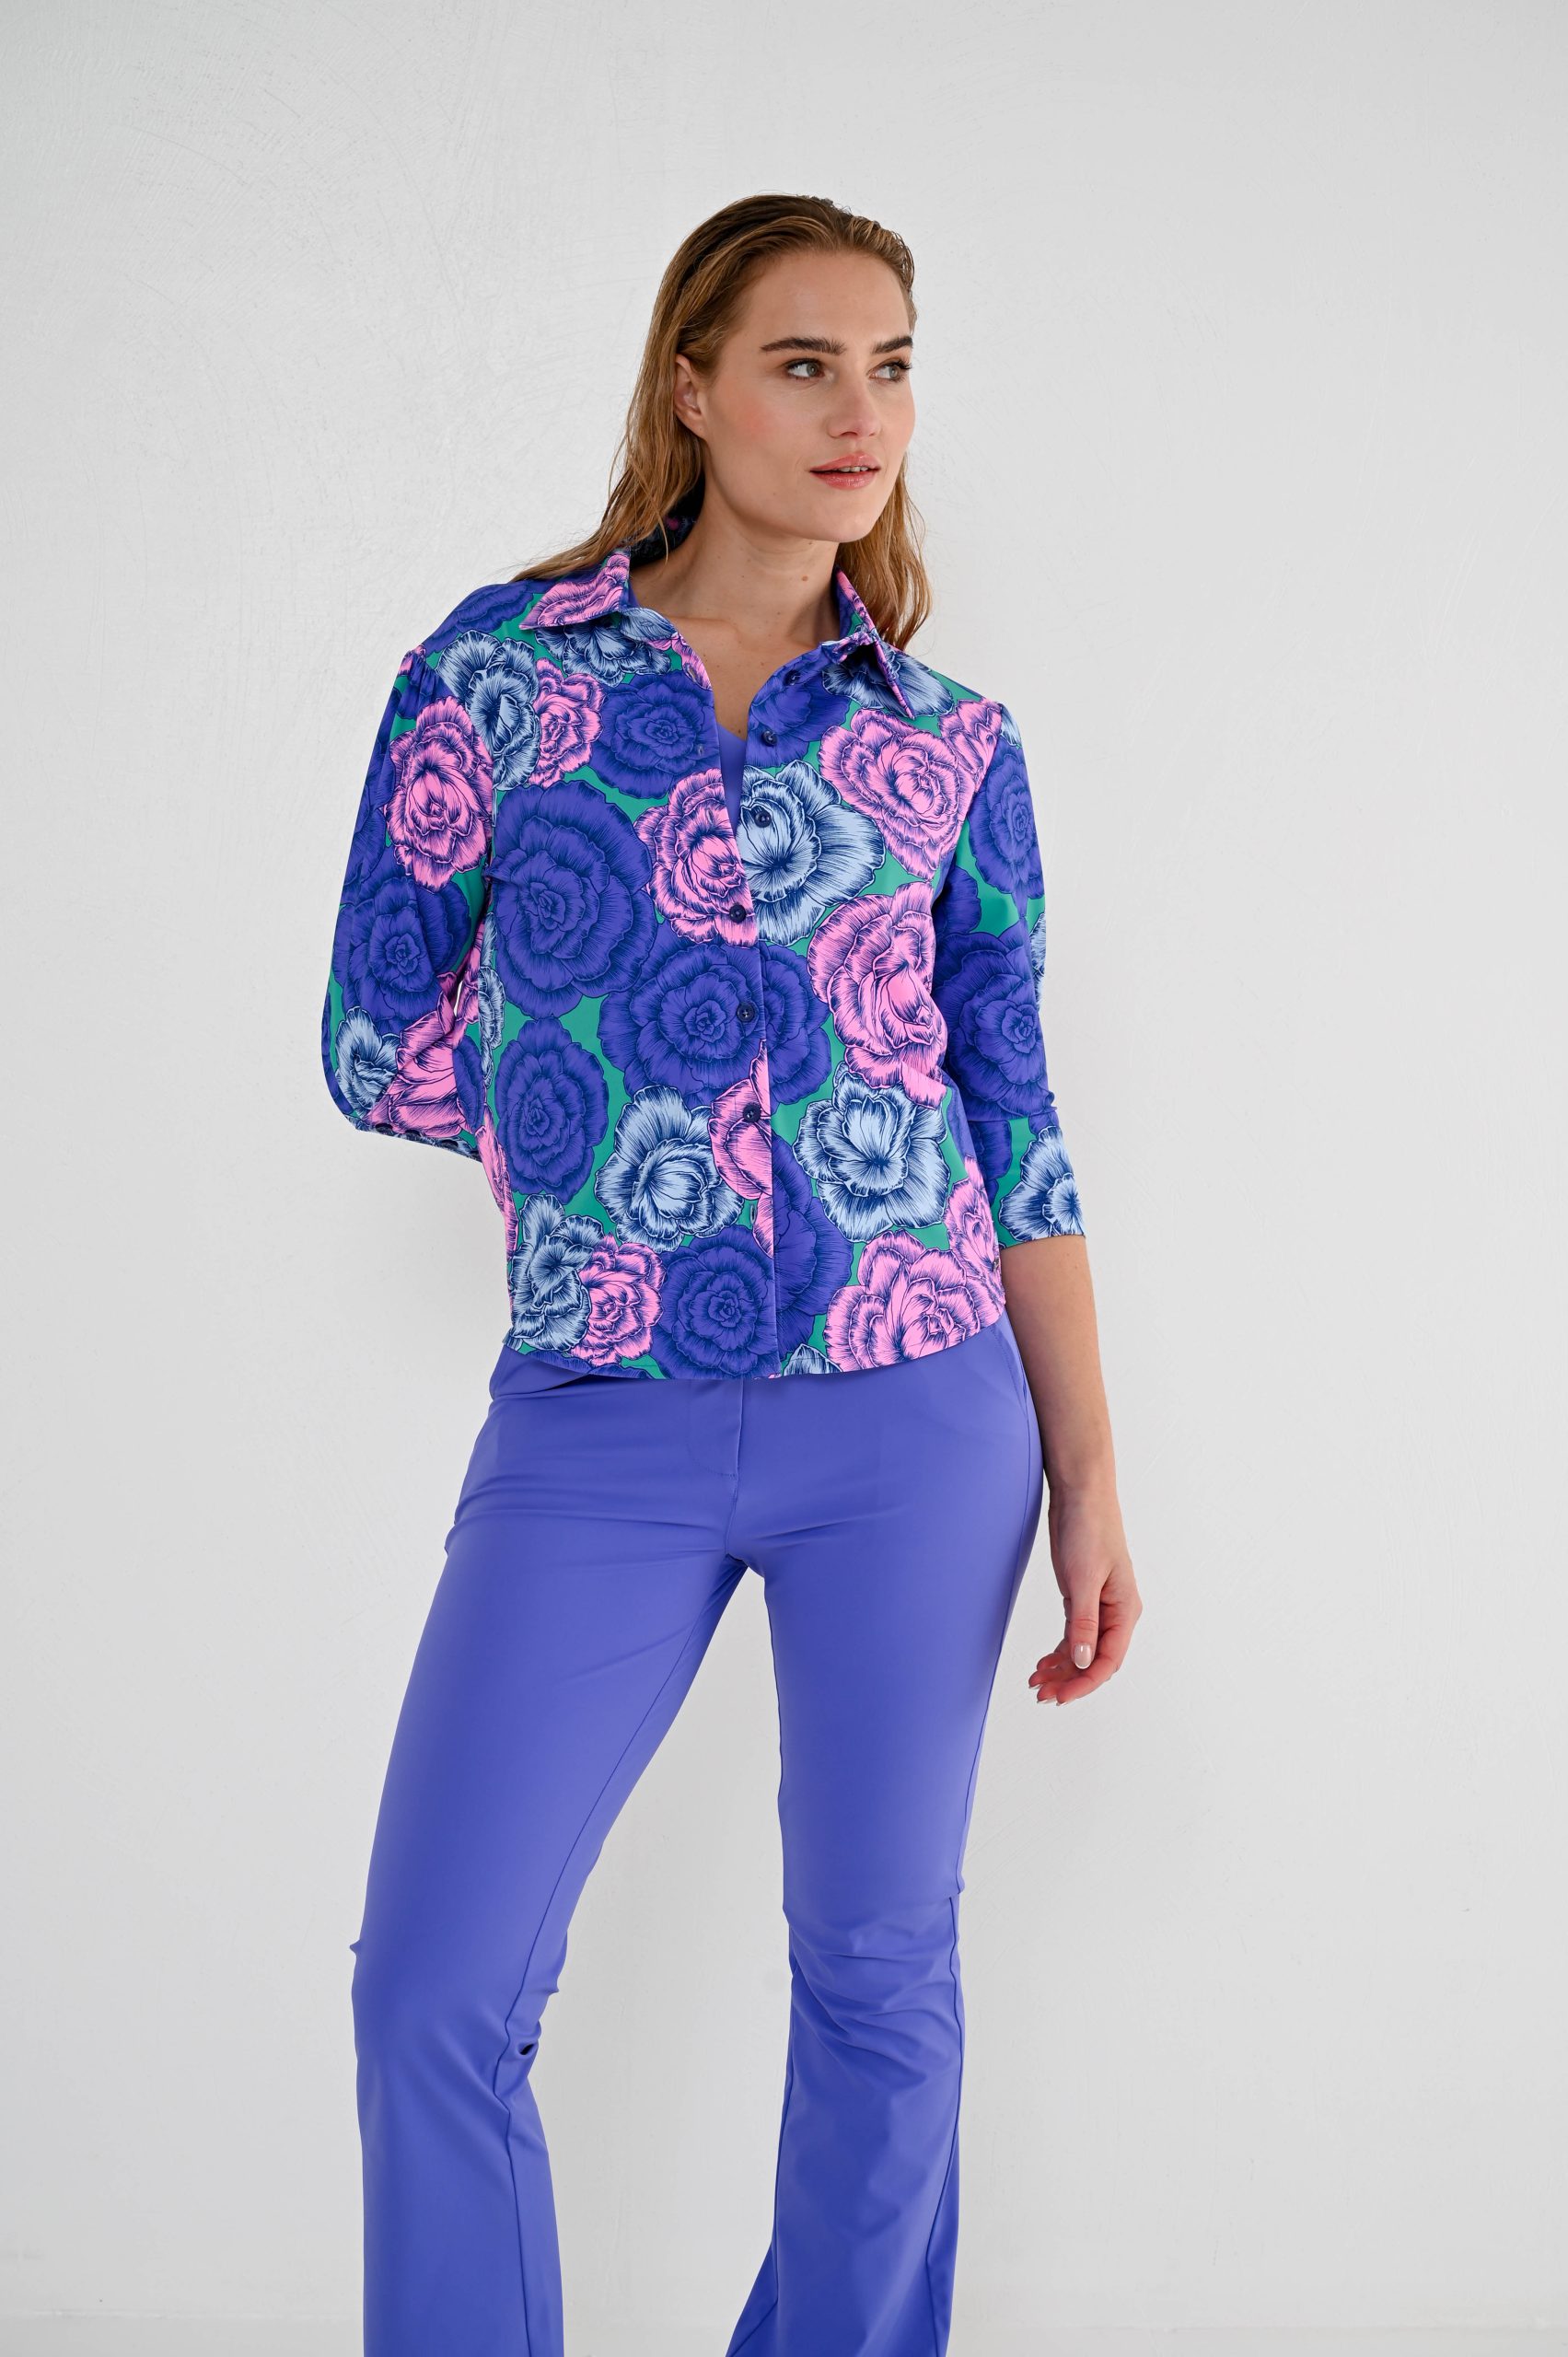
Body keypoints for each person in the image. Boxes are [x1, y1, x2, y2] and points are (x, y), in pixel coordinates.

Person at [321, 192, 1141, 2357]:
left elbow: (1017, 1120)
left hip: (923, 1415)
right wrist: (612, 1147)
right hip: (598, 1416)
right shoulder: (497, 680)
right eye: (803, 363)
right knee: (433, 1986)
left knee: (880, 1974)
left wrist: (1089, 1477)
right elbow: (376, 1033)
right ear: (691, 387)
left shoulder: (950, 743)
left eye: (891, 366)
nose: (859, 411)